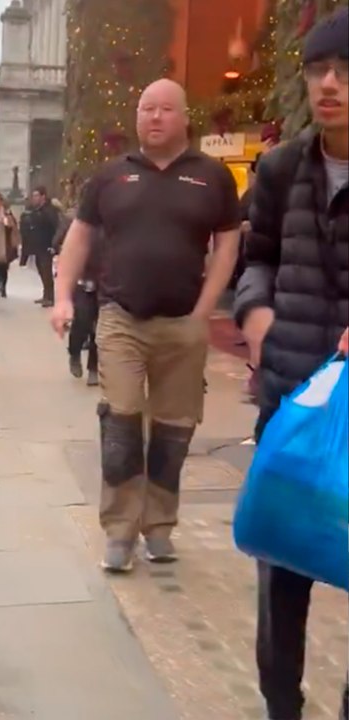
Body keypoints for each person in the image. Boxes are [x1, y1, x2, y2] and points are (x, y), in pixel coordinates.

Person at [52, 78, 241, 573]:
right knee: (120, 423)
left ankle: (159, 526)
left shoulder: (212, 177)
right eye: (145, 108)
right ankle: (119, 531)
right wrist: (63, 297)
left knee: (174, 432)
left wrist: (204, 311)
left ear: (183, 117)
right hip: (121, 321)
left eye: (164, 109)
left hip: (183, 324)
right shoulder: (111, 177)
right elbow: (80, 236)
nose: (154, 117)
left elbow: (227, 244)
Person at [234, 9, 349, 719]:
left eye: (343, 71)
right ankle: (281, 705)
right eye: (316, 70)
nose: (328, 85)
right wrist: (255, 316)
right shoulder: (279, 168)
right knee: (281, 569)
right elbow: (259, 256)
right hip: (293, 394)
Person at [54, 203, 101, 386]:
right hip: (81, 280)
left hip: (105, 281)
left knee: (100, 328)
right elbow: (59, 243)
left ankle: (94, 368)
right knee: (82, 321)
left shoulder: (113, 222)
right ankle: (74, 352)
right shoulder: (75, 223)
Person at [21, 186, 61, 307]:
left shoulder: (50, 210)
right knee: (41, 270)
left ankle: (50, 297)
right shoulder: (36, 210)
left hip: (47, 245)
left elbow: (57, 227)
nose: (34, 198)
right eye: (33, 196)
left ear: (43, 196)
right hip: (38, 246)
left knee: (46, 271)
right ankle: (46, 294)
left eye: (36, 195)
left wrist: (54, 244)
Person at [0, 192, 20, 299]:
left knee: (3, 268)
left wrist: (5, 221)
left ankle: (3, 287)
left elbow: (12, 227)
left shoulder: (6, 214)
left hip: (4, 244)